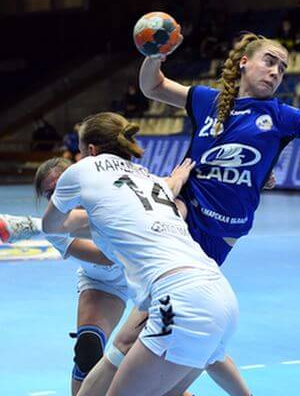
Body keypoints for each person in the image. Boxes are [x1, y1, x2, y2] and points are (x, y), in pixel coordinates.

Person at [75, 30, 300, 393]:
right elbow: (153, 86)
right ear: (244, 62)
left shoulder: (281, 117)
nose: (276, 72)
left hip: (214, 245)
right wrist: (155, 54)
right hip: (178, 228)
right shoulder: (207, 101)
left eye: (283, 68)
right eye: (269, 61)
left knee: (175, 345)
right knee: (144, 342)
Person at [41, 112, 239, 395]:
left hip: (176, 296)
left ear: (91, 150)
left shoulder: (83, 170)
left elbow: (51, 226)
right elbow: (168, 191)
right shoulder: (152, 179)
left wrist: (74, 222)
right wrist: (177, 179)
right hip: (220, 293)